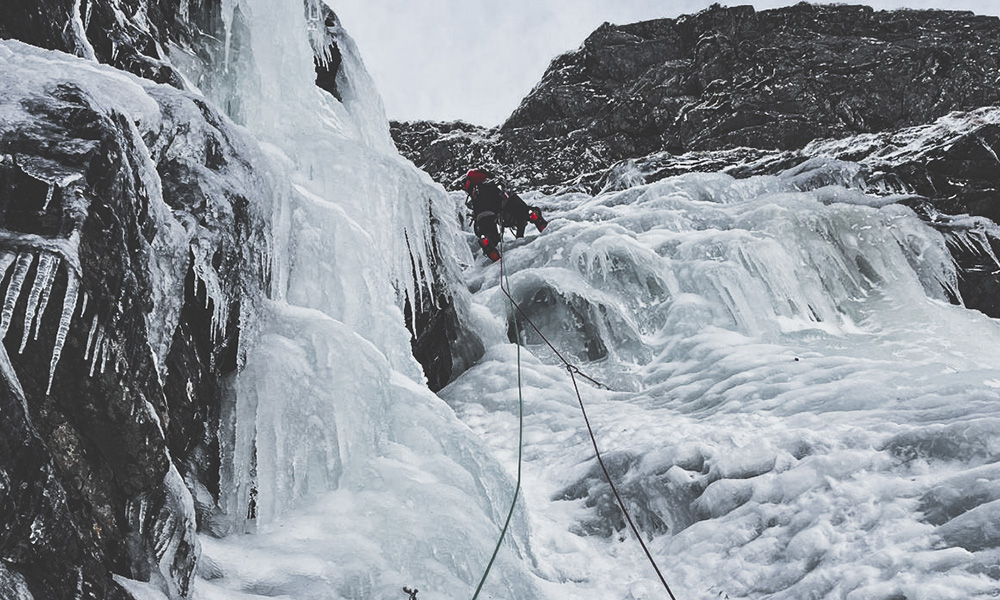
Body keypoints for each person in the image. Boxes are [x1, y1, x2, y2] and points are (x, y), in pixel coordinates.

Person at [461, 168, 547, 262]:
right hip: (502, 195)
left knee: (487, 229)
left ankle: (487, 240)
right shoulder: (490, 180)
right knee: (522, 211)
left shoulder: (475, 189)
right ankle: (533, 215)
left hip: (483, 204)